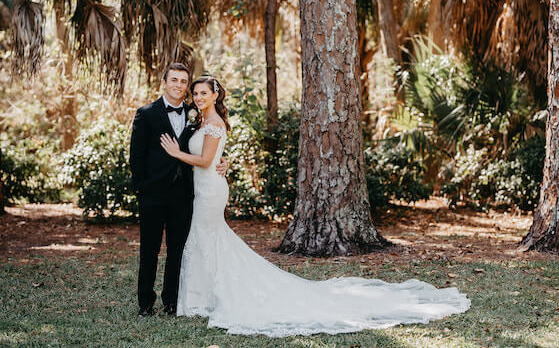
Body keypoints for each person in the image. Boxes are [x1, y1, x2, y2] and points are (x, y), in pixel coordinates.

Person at [160, 76, 471, 337]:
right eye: (196, 93)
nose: (198, 97)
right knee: (204, 241)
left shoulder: (214, 124)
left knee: (208, 239)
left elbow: (203, 160)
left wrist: (176, 154)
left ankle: (209, 298)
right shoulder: (202, 121)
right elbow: (210, 159)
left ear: (216, 94)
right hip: (204, 188)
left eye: (204, 93)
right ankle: (202, 298)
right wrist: (217, 161)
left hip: (211, 190)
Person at [129, 63, 228, 316]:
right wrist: (142, 188)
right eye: (174, 80)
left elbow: (206, 146)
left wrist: (221, 162)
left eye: (184, 81)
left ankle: (172, 302)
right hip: (152, 194)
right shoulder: (146, 113)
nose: (179, 85)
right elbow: (136, 157)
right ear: (164, 82)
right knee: (149, 251)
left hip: (184, 195)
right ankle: (146, 304)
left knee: (178, 251)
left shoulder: (195, 113)